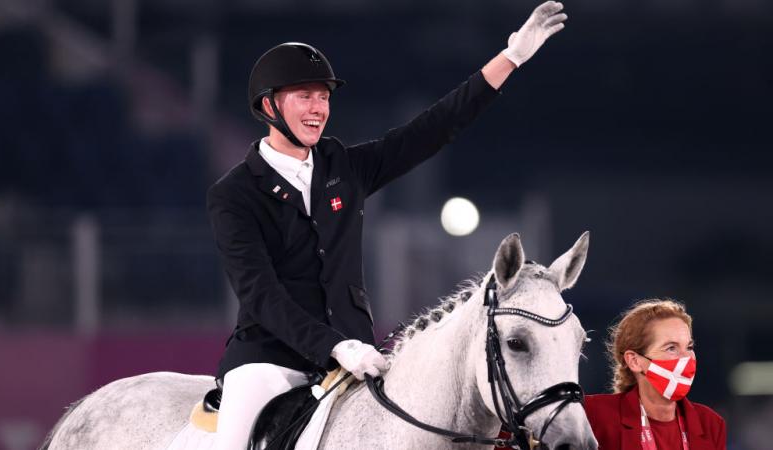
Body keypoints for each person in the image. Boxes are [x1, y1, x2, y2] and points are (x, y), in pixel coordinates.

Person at [207, 2, 568, 448]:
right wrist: (333, 347)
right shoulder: (235, 193)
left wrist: (509, 59)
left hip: (357, 358)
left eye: (324, 97)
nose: (319, 108)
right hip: (270, 360)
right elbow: (259, 294)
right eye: (305, 96)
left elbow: (430, 131)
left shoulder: (345, 167)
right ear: (268, 105)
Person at [584, 299, 726, 449]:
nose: (687, 358)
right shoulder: (595, 415)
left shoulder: (711, 424)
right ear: (635, 361)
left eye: (689, 347)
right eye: (671, 348)